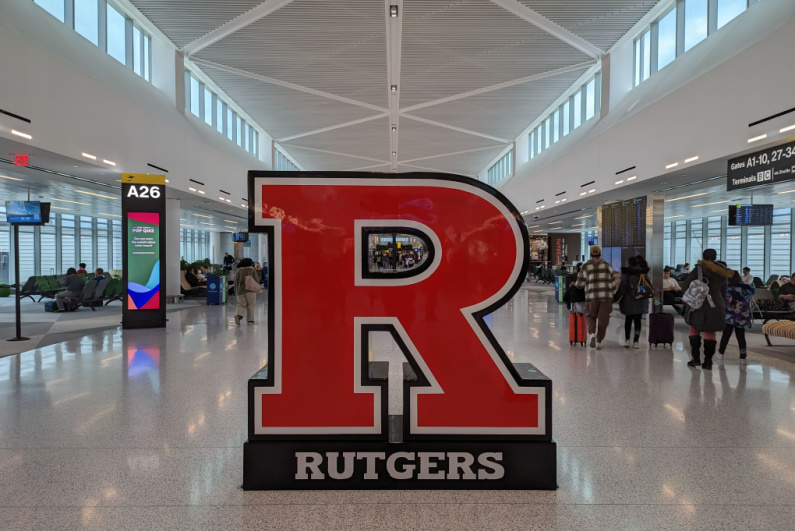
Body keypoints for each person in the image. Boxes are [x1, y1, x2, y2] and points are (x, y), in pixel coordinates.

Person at [682, 249, 733, 370]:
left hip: (697, 304)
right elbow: (724, 291)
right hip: (716, 304)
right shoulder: (722, 272)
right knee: (710, 332)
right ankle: (708, 362)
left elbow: (686, 287)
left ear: (703, 257)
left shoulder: (698, 270)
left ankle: (695, 359)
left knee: (694, 329)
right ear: (715, 257)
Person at [574, 245, 616, 349]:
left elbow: (579, 284)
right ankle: (599, 341)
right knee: (603, 319)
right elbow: (613, 284)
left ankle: (592, 333)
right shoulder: (607, 266)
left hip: (591, 296)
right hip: (606, 297)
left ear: (591, 254)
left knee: (590, 316)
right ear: (600, 253)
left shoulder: (586, 266)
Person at [717, 271, 755, 365]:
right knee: (741, 336)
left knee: (726, 334)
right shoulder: (746, 289)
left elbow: (727, 302)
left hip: (730, 315)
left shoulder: (729, 289)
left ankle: (721, 352)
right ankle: (743, 357)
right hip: (742, 316)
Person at [614, 255, 650, 349]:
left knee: (628, 320)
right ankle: (636, 341)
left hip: (628, 301)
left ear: (629, 263)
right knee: (638, 321)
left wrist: (614, 299)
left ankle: (627, 340)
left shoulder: (627, 275)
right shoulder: (643, 274)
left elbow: (621, 289)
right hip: (641, 300)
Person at [233, 258, 258, 325]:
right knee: (250, 305)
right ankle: (250, 321)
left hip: (240, 291)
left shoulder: (238, 270)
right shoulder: (252, 269)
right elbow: (256, 279)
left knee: (241, 305)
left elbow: (236, 281)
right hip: (250, 290)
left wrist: (235, 290)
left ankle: (238, 316)